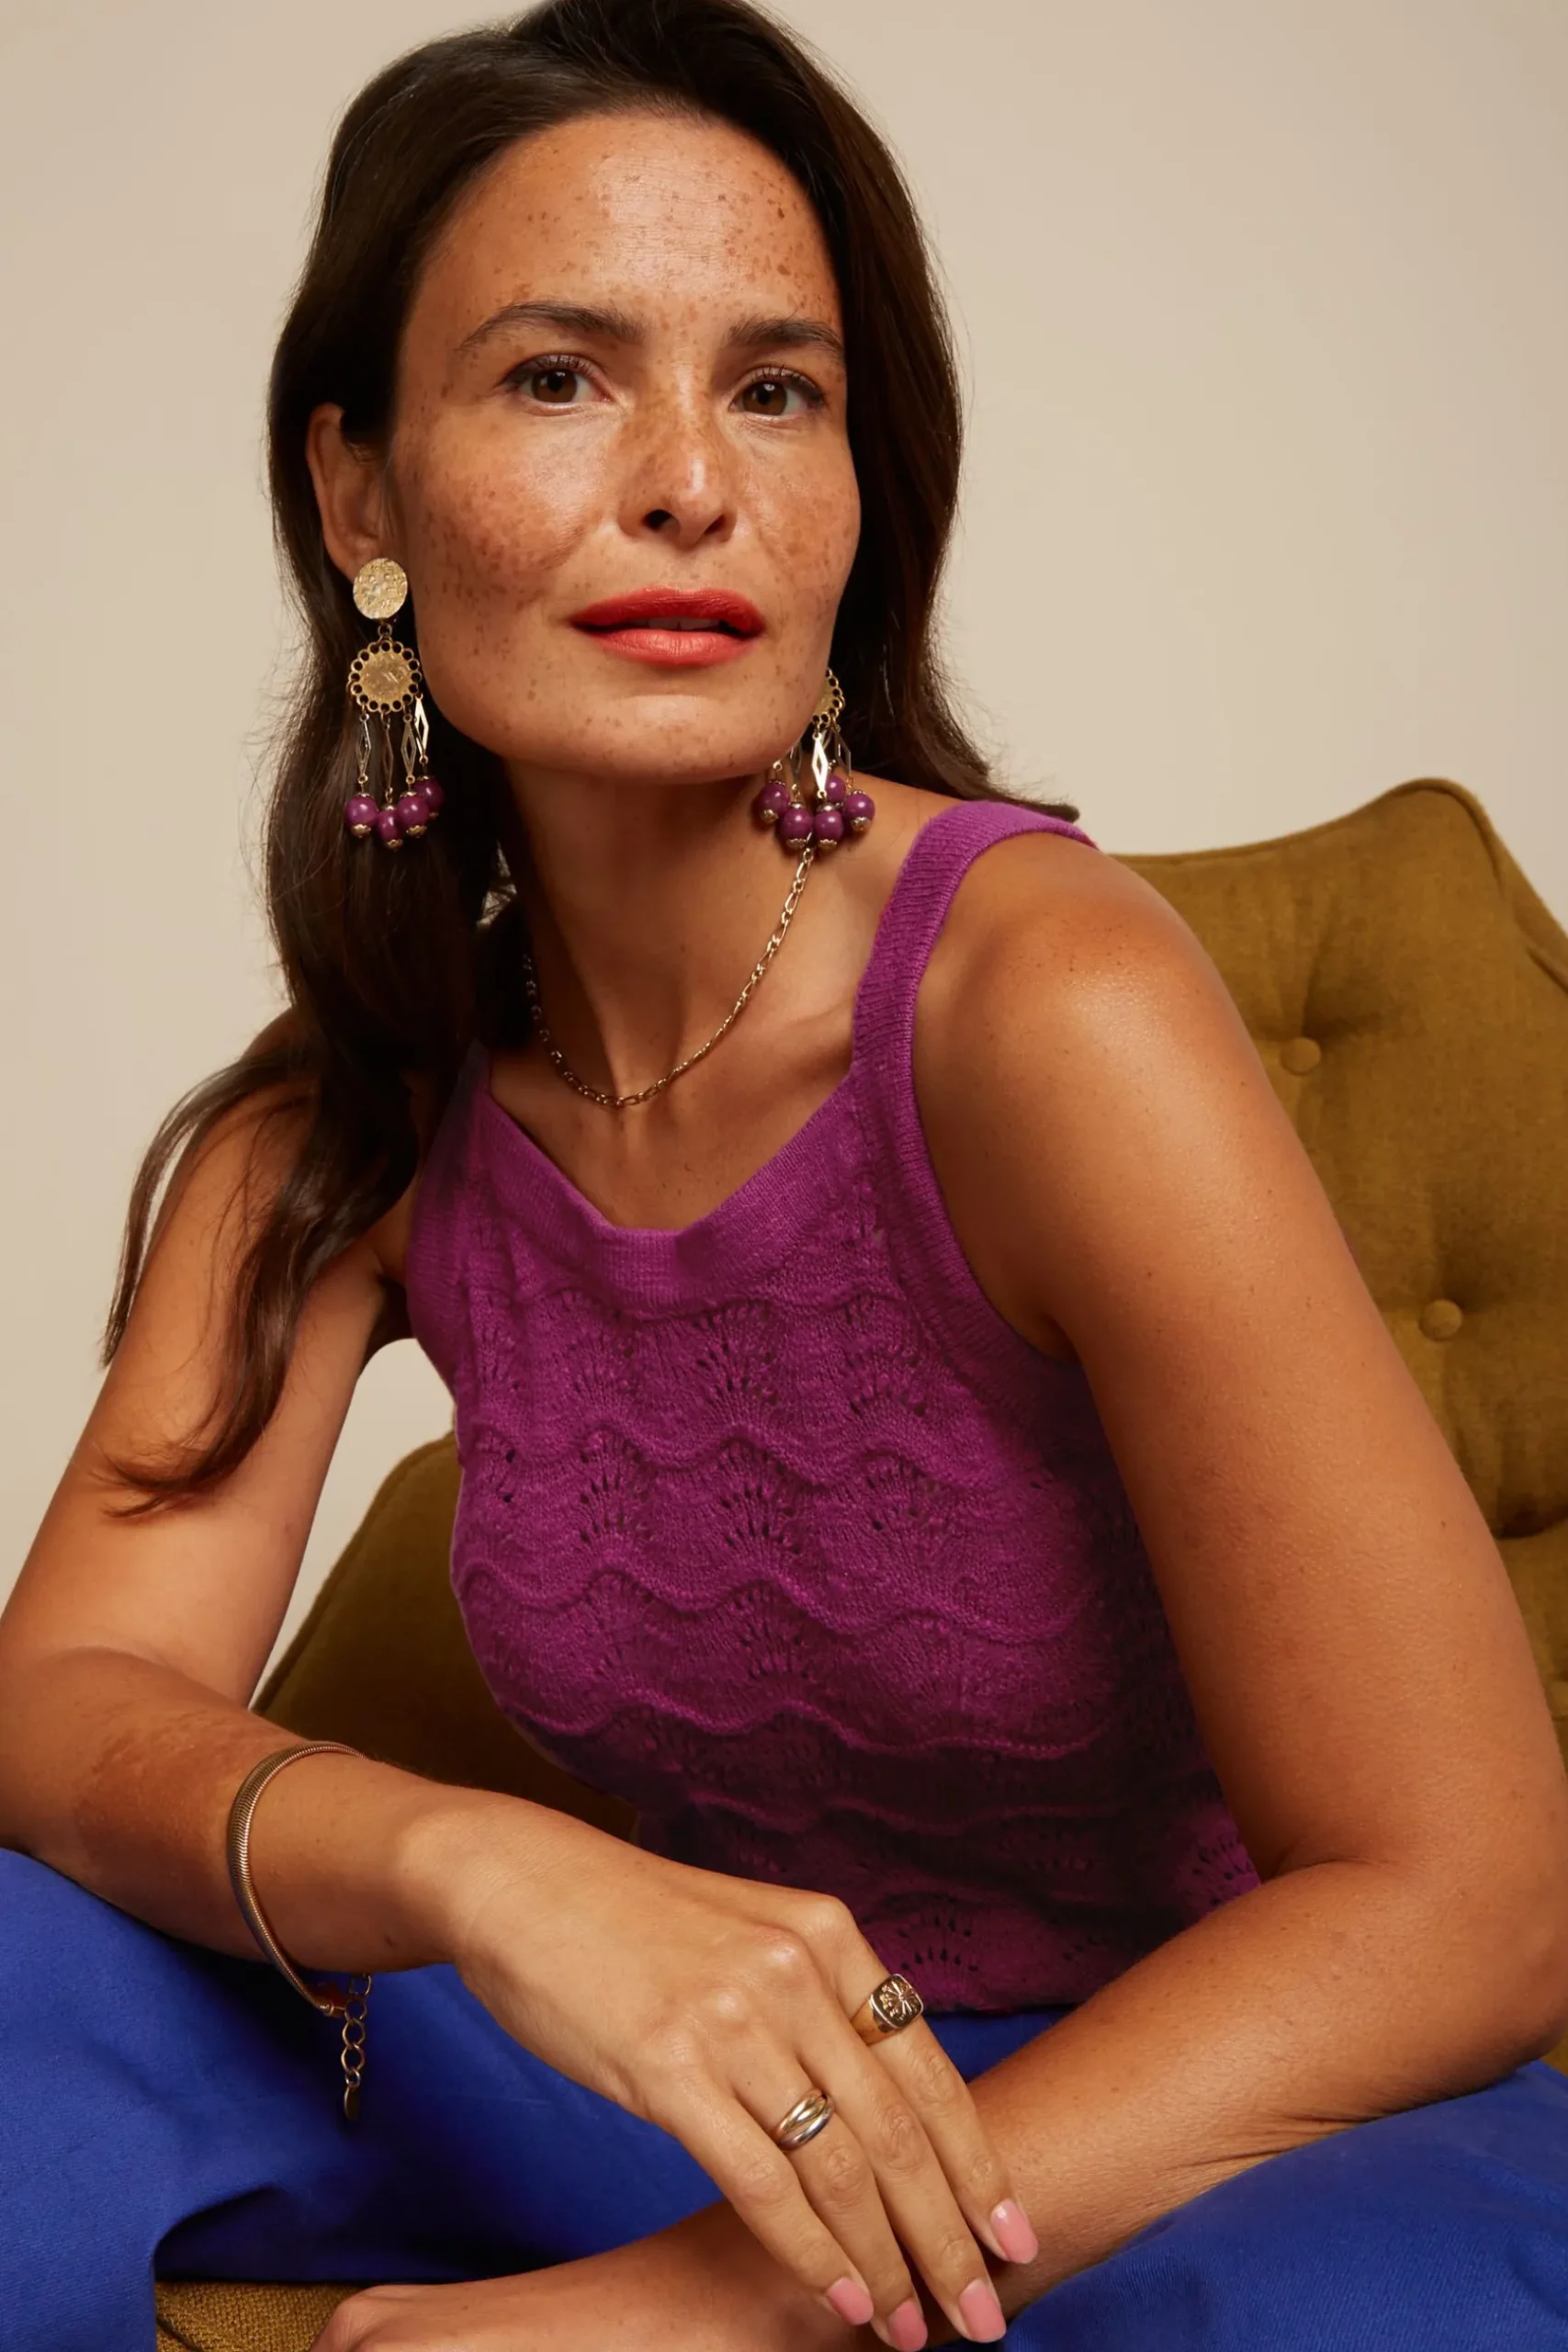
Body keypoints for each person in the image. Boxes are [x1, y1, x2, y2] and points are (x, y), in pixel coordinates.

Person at [3, 1, 1567, 2346]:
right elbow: (69, 1693)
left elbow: (1469, 1901)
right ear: (361, 496)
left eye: (776, 389)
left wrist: (696, 2306)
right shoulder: (349, 1115)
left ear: (859, 481)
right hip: (700, 2087)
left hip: (1208, 2128)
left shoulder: (1041, 998)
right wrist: (484, 1864)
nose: (686, 484)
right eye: (557, 376)